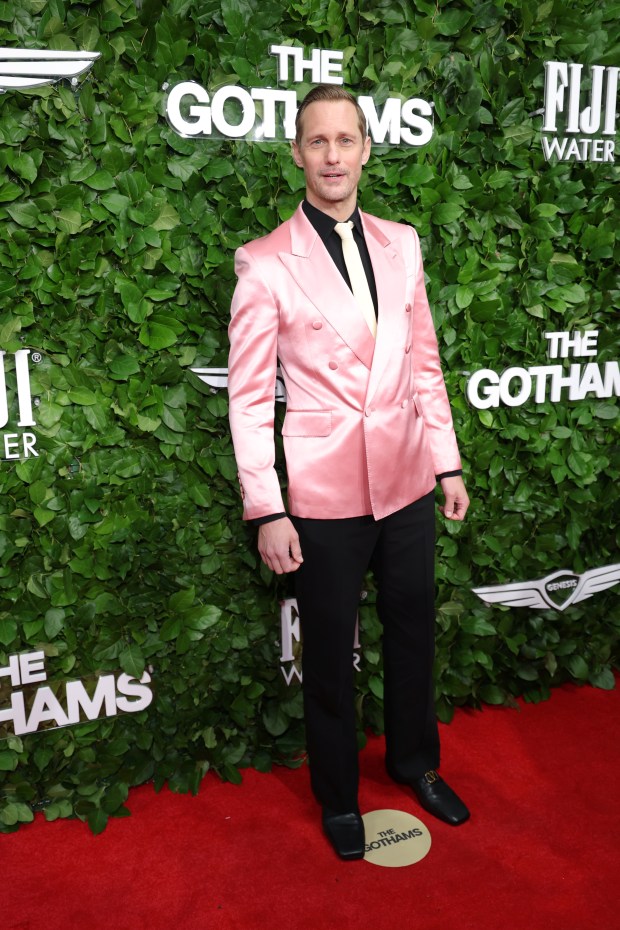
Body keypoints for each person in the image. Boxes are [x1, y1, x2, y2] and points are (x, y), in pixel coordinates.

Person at [227, 84, 470, 860]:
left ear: (367, 148)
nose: (333, 155)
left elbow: (424, 362)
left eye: (346, 139)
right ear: (296, 153)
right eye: (317, 141)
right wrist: (268, 510)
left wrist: (448, 463)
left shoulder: (404, 242)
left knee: (410, 636)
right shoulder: (264, 264)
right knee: (330, 654)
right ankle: (338, 795)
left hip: (406, 482)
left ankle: (415, 763)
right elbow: (246, 400)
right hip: (326, 494)